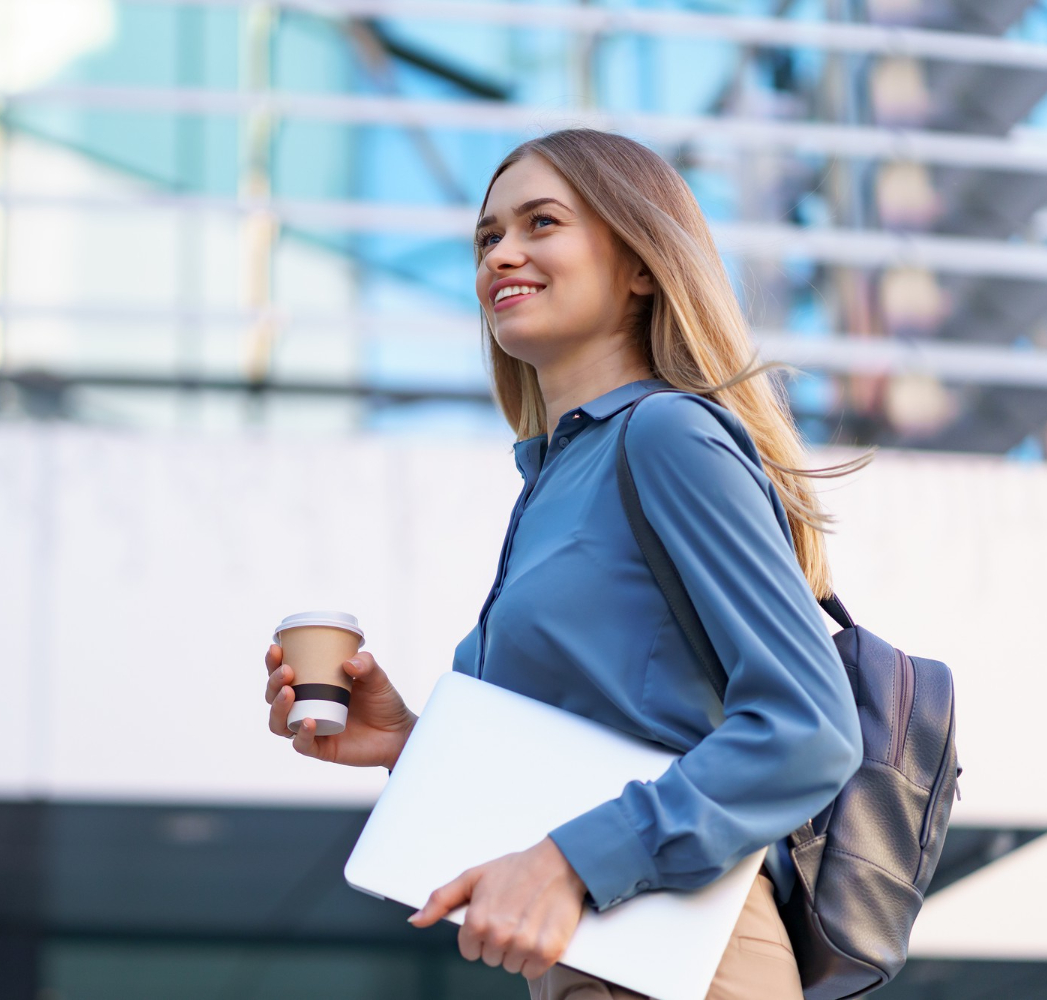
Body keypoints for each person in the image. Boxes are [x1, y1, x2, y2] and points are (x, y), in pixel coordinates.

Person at [261, 128, 868, 1000]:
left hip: (689, 962)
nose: (503, 252)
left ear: (642, 264)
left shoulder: (667, 434)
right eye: (486, 237)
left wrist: (567, 862)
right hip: (600, 963)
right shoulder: (553, 480)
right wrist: (407, 746)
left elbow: (810, 729)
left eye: (541, 223)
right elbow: (608, 739)